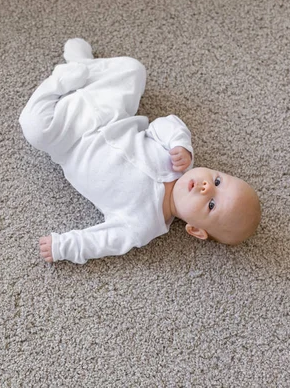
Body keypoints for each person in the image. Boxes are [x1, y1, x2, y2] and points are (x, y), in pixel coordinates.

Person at [19, 38, 261, 264]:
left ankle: (62, 80)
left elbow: (104, 240)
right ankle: (85, 66)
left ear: (195, 230)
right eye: (217, 180)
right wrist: (179, 143)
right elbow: (164, 124)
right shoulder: (181, 160)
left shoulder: (143, 224)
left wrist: (65, 246)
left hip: (67, 140)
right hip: (110, 114)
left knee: (34, 128)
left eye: (210, 205)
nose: (206, 187)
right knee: (133, 70)